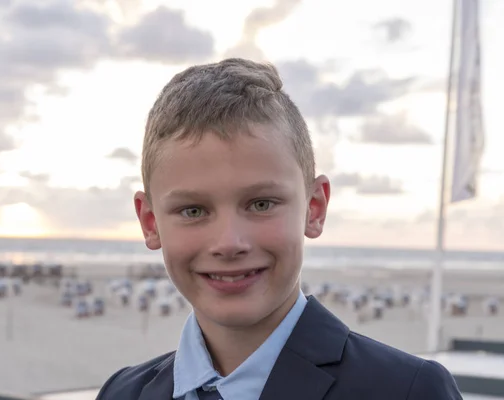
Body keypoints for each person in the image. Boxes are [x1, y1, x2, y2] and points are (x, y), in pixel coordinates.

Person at [96, 58, 462, 399]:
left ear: (314, 208)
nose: (229, 243)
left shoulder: (407, 390)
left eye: (261, 204)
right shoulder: (122, 393)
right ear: (150, 222)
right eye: (193, 210)